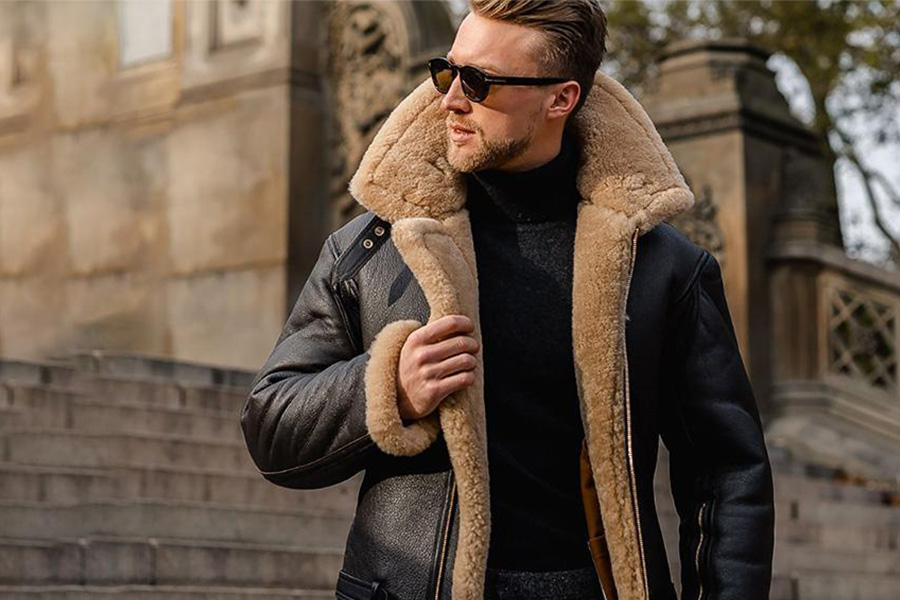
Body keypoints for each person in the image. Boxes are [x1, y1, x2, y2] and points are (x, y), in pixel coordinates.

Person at [240, 1, 775, 599]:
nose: (450, 98)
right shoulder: (373, 247)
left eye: (480, 82)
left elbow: (727, 474)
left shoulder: (663, 265)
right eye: (447, 71)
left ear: (560, 99)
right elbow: (271, 426)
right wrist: (388, 389)